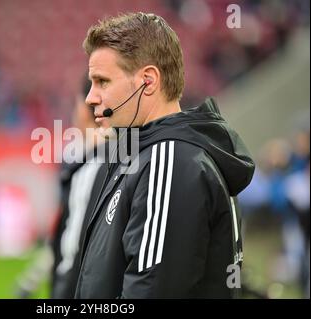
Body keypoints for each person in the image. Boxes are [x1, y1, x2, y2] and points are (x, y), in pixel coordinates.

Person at [75, 12, 255, 298]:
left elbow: (151, 292)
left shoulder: (170, 161)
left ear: (148, 81)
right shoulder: (147, 154)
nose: (90, 97)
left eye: (103, 81)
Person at [50, 76, 108, 298]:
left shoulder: (91, 167)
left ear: (86, 109)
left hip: (77, 282)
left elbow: (74, 244)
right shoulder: (120, 156)